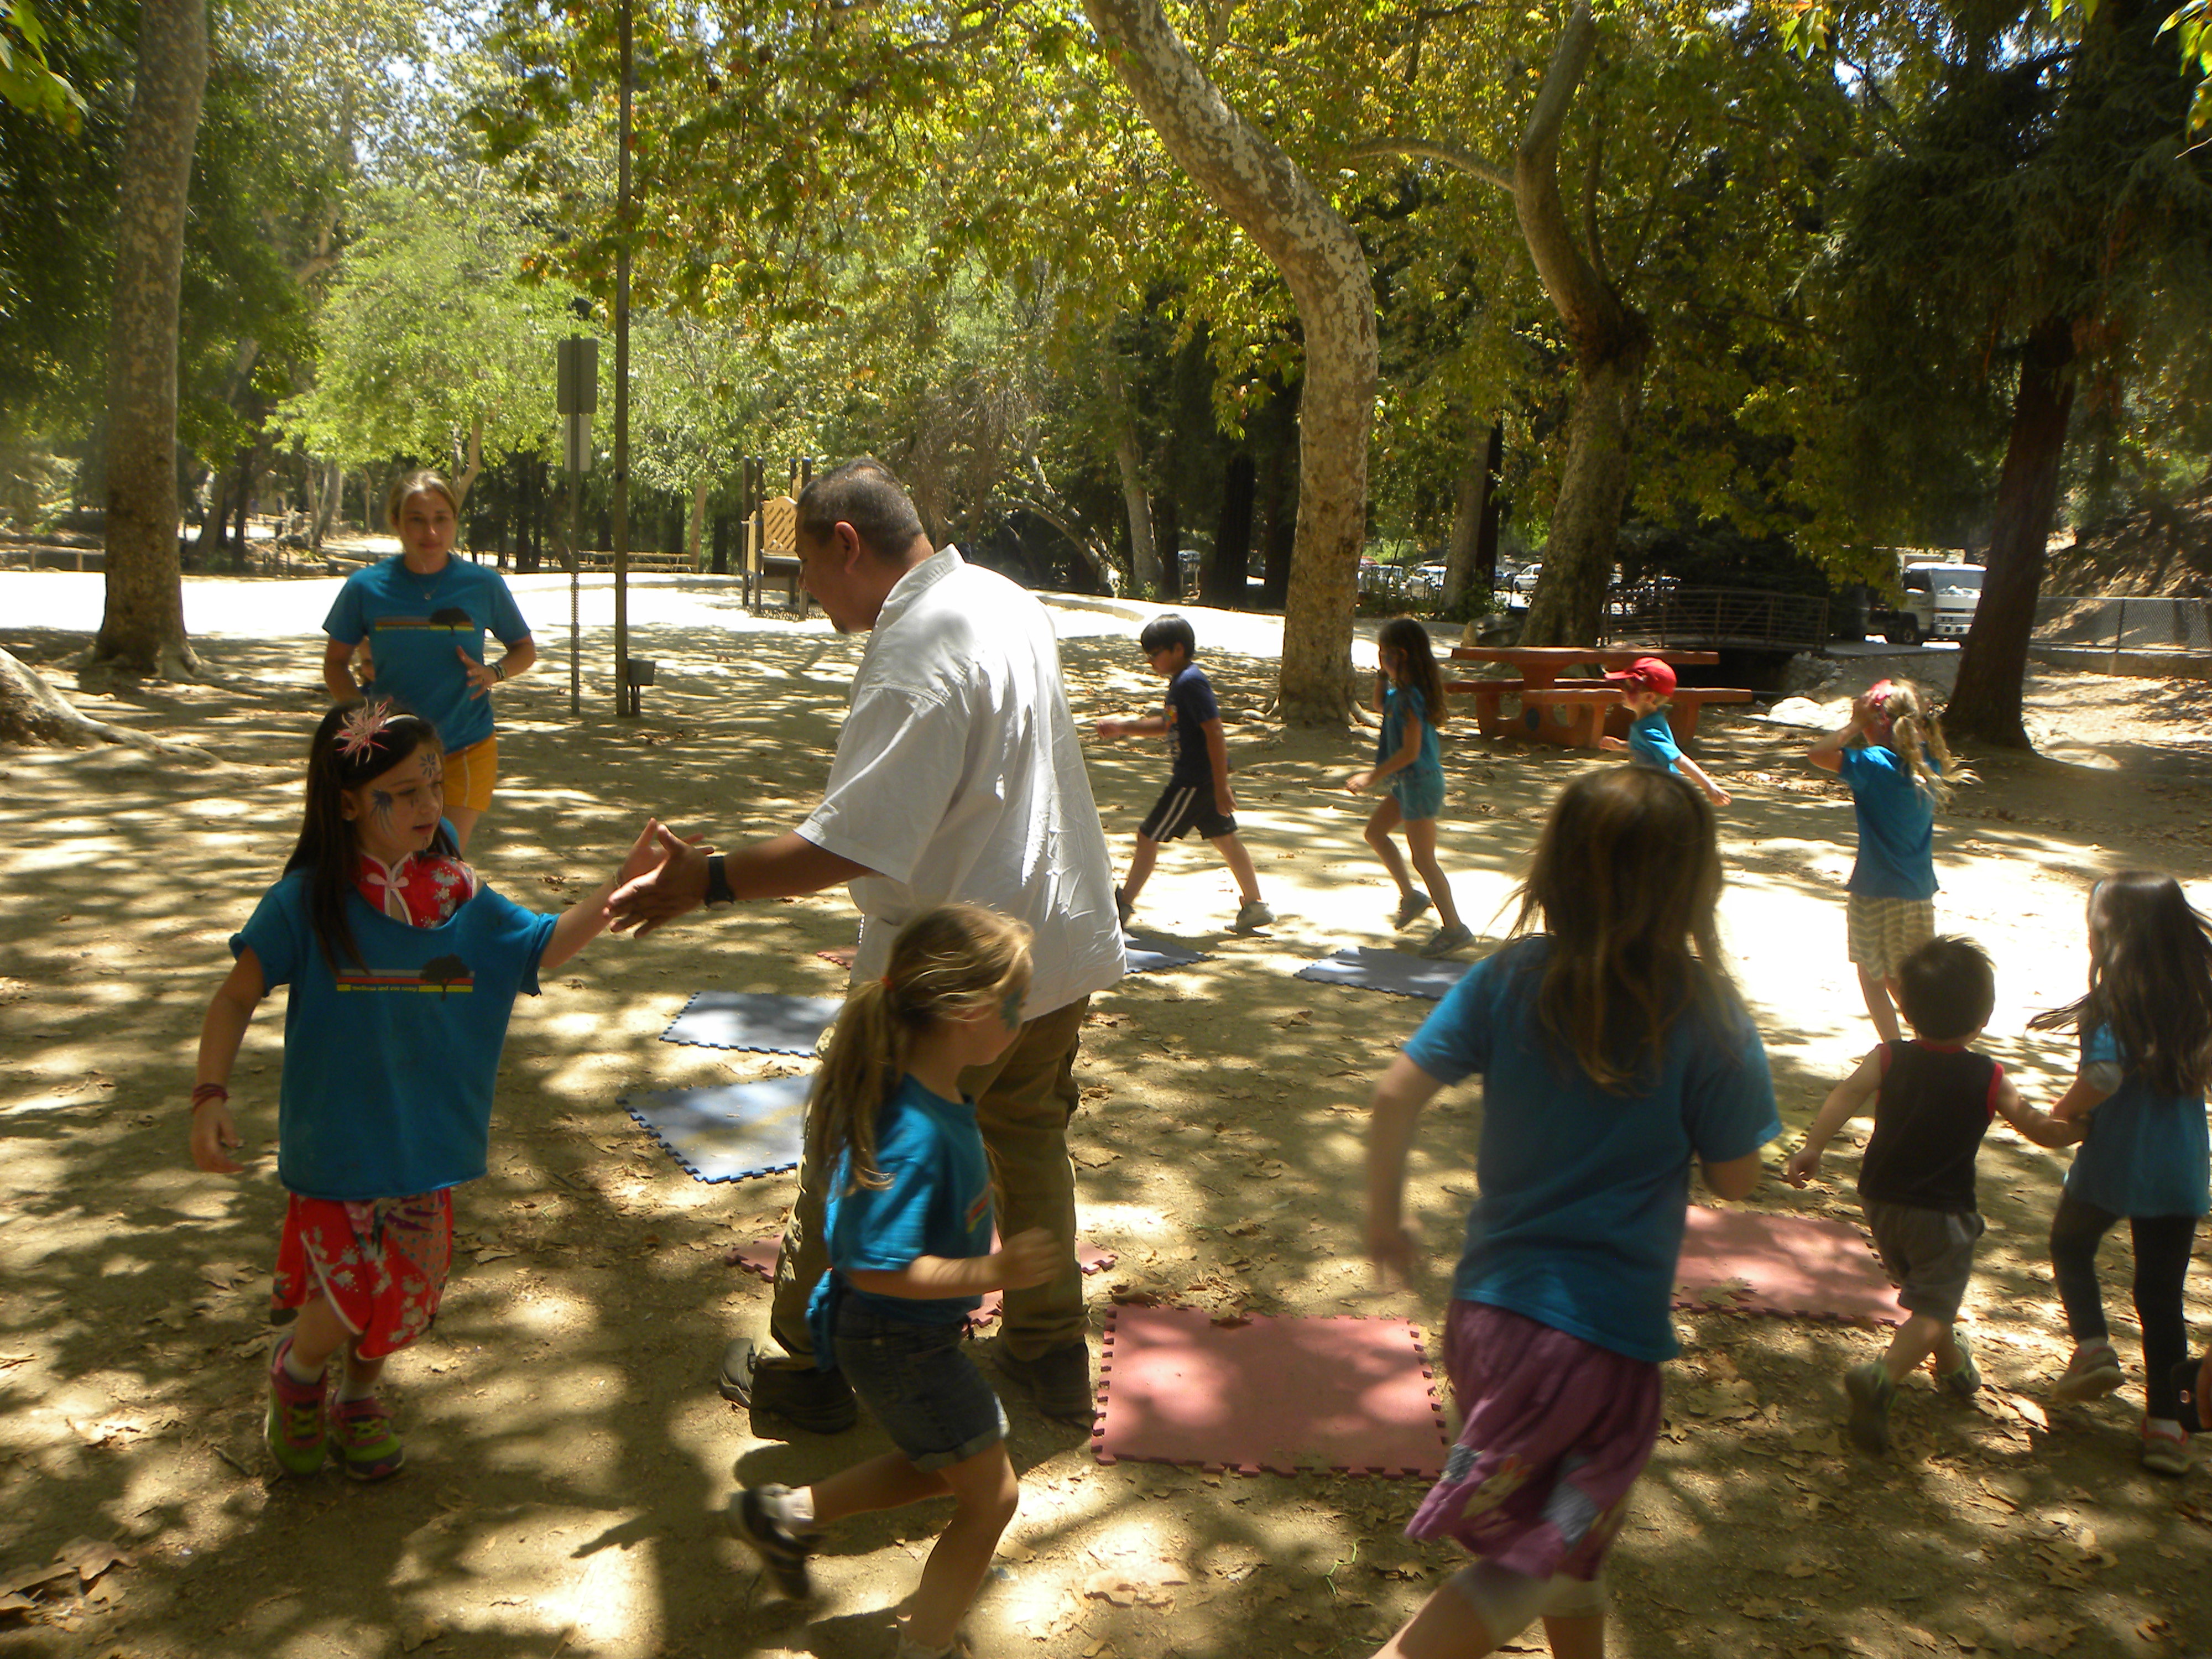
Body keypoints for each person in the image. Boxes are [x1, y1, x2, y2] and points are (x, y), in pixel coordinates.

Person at [606, 457, 1125, 1431]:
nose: (806, 590)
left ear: (846, 543)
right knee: (1026, 1139)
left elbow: (852, 842)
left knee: (853, 1148)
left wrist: (704, 881)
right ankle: (1051, 1351)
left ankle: (806, 1369)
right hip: (1051, 940)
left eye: (806, 565)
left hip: (947, 971)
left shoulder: (916, 647)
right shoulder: (1003, 599)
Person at [1363, 767, 1781, 1659]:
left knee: (1573, 1541)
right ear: (1693, 886)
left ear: (1554, 868)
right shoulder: (1707, 1012)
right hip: (1597, 1343)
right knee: (1539, 1559)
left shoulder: (1508, 977)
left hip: (1486, 1320)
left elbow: (1395, 1097)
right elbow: (1737, 1179)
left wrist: (1384, 1221)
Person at [188, 698, 662, 1478]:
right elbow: (236, 996)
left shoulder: (460, 897)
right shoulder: (306, 902)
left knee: (401, 1296)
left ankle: (359, 1398)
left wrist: (621, 885)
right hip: (336, 1147)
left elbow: (542, 947)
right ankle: (299, 1374)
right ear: (348, 803)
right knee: (342, 1298)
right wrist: (210, 1094)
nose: (428, 805)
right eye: (402, 792)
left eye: (435, 786)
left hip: (425, 1147)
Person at [732, 906, 1056, 1659]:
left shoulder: (936, 1095)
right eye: (1016, 1003)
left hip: (910, 1335)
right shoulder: (913, 1130)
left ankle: (786, 1515)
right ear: (968, 1012)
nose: (1024, 1018)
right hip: (896, 1340)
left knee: (949, 1466)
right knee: (992, 1497)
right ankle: (928, 1647)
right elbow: (873, 1262)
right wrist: (993, 1271)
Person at [1785, 936, 2075, 1454]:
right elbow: (2041, 1130)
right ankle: (1882, 1376)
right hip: (1942, 1211)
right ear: (1983, 1017)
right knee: (1936, 1305)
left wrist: (1813, 1147)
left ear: (1906, 1009)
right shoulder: (1988, 1075)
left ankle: (1953, 1364)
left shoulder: (1888, 1057)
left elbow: (1846, 1094)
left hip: (1881, 1200)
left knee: (1927, 1292)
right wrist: (2084, 1126)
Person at [2026, 873, 2212, 1475]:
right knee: (2160, 1297)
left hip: (2114, 1162)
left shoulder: (2114, 1000)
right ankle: (2167, 1427)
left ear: (2111, 935)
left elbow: (2103, 1076)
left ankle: (2094, 1348)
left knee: (2070, 1244)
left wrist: (2063, 1110)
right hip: (2180, 1169)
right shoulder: (2197, 998)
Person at [322, 471, 536, 852]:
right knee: (395, 858)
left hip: (466, 745)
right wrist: (363, 716)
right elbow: (335, 664)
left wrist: (494, 673)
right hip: (391, 751)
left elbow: (524, 649)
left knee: (444, 857)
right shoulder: (365, 587)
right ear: (396, 522)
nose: (431, 532)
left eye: (441, 519)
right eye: (417, 520)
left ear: (455, 521)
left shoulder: (483, 584)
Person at [1093, 613, 1274, 935]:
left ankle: (1121, 907)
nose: (1150, 661)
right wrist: (1123, 727)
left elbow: (1214, 731)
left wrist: (1222, 786)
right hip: (1203, 780)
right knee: (1226, 839)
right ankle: (1255, 905)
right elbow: (1167, 724)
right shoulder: (1181, 683)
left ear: (1178, 649)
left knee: (1148, 835)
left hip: (1193, 780)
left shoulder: (1191, 683)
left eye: (1155, 654)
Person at [1806, 677, 1963, 1043]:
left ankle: (1897, 1049)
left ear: (1878, 722)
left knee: (1873, 976)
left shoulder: (1873, 764)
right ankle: (1934, 1041)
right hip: (1919, 892)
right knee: (1907, 975)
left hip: (1874, 890)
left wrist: (1854, 725)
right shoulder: (1930, 765)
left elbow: (1818, 753)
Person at [1595, 655, 1730, 807]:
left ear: (1649, 697)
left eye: (1629, 687)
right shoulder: (1653, 719)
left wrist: (1709, 786)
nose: (1622, 690)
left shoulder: (1647, 729)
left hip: (1660, 794)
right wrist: (1621, 746)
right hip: (1652, 790)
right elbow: (1647, 747)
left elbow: (1678, 758)